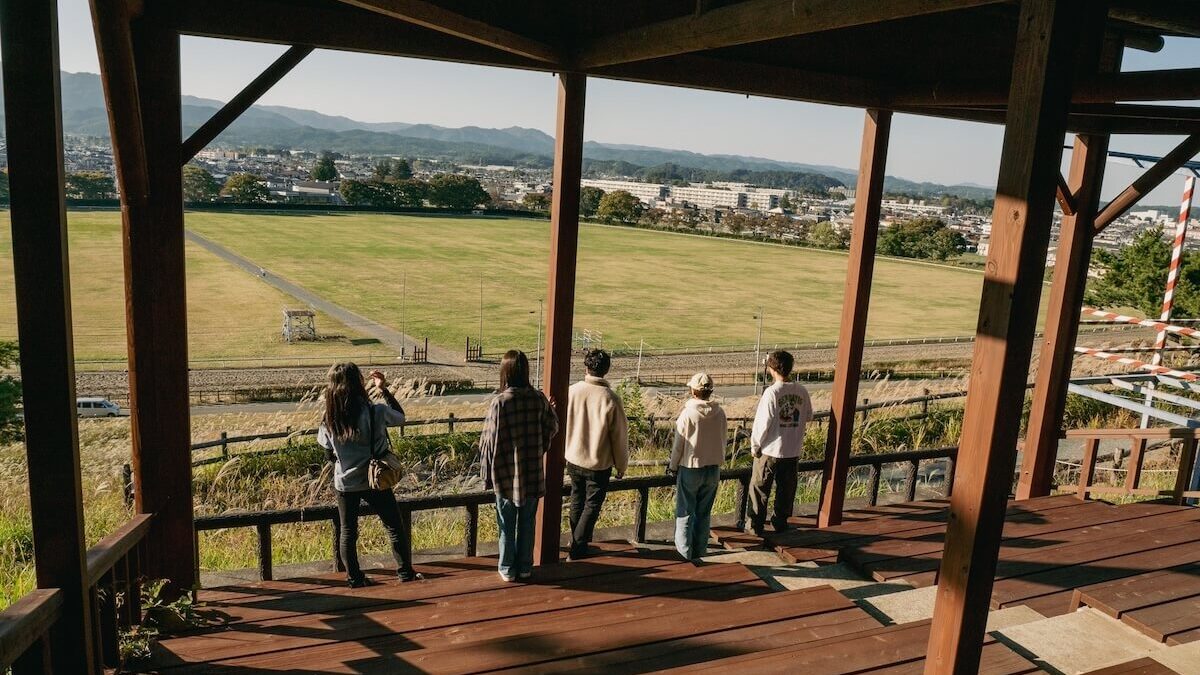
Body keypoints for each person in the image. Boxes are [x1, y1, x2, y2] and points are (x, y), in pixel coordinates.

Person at [317, 363, 420, 587]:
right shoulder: (376, 411)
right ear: (358, 383)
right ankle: (405, 573)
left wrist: (346, 461)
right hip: (377, 479)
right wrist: (383, 389)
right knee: (394, 526)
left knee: (348, 532)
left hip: (345, 482)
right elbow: (401, 418)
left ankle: (355, 579)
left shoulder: (329, 418)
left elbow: (328, 454)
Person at [480, 350, 559, 581]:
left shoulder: (499, 402)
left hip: (505, 473)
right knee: (527, 521)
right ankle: (525, 566)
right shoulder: (538, 398)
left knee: (505, 523)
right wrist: (540, 445)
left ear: (505, 372)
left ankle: (506, 568)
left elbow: (488, 442)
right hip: (532, 471)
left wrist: (486, 475)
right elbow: (552, 427)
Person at [564, 349, 629, 561]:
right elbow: (619, 437)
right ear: (606, 370)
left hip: (573, 457)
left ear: (586, 367)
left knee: (577, 499)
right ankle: (579, 546)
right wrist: (622, 465)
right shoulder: (610, 398)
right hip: (598, 462)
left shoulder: (572, 391)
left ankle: (575, 540)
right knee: (592, 504)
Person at [748, 350, 813, 536]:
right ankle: (780, 522)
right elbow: (808, 415)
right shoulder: (801, 390)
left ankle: (755, 525)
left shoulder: (772, 392)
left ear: (771, 369)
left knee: (760, 488)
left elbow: (762, 424)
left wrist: (755, 446)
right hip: (792, 449)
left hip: (770, 449)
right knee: (786, 490)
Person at [668, 372, 727, 561]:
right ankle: (700, 550)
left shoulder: (688, 414)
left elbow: (679, 446)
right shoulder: (720, 413)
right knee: (703, 513)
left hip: (690, 467)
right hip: (713, 468)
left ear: (693, 391)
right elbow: (723, 439)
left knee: (685, 513)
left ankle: (684, 553)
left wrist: (672, 466)